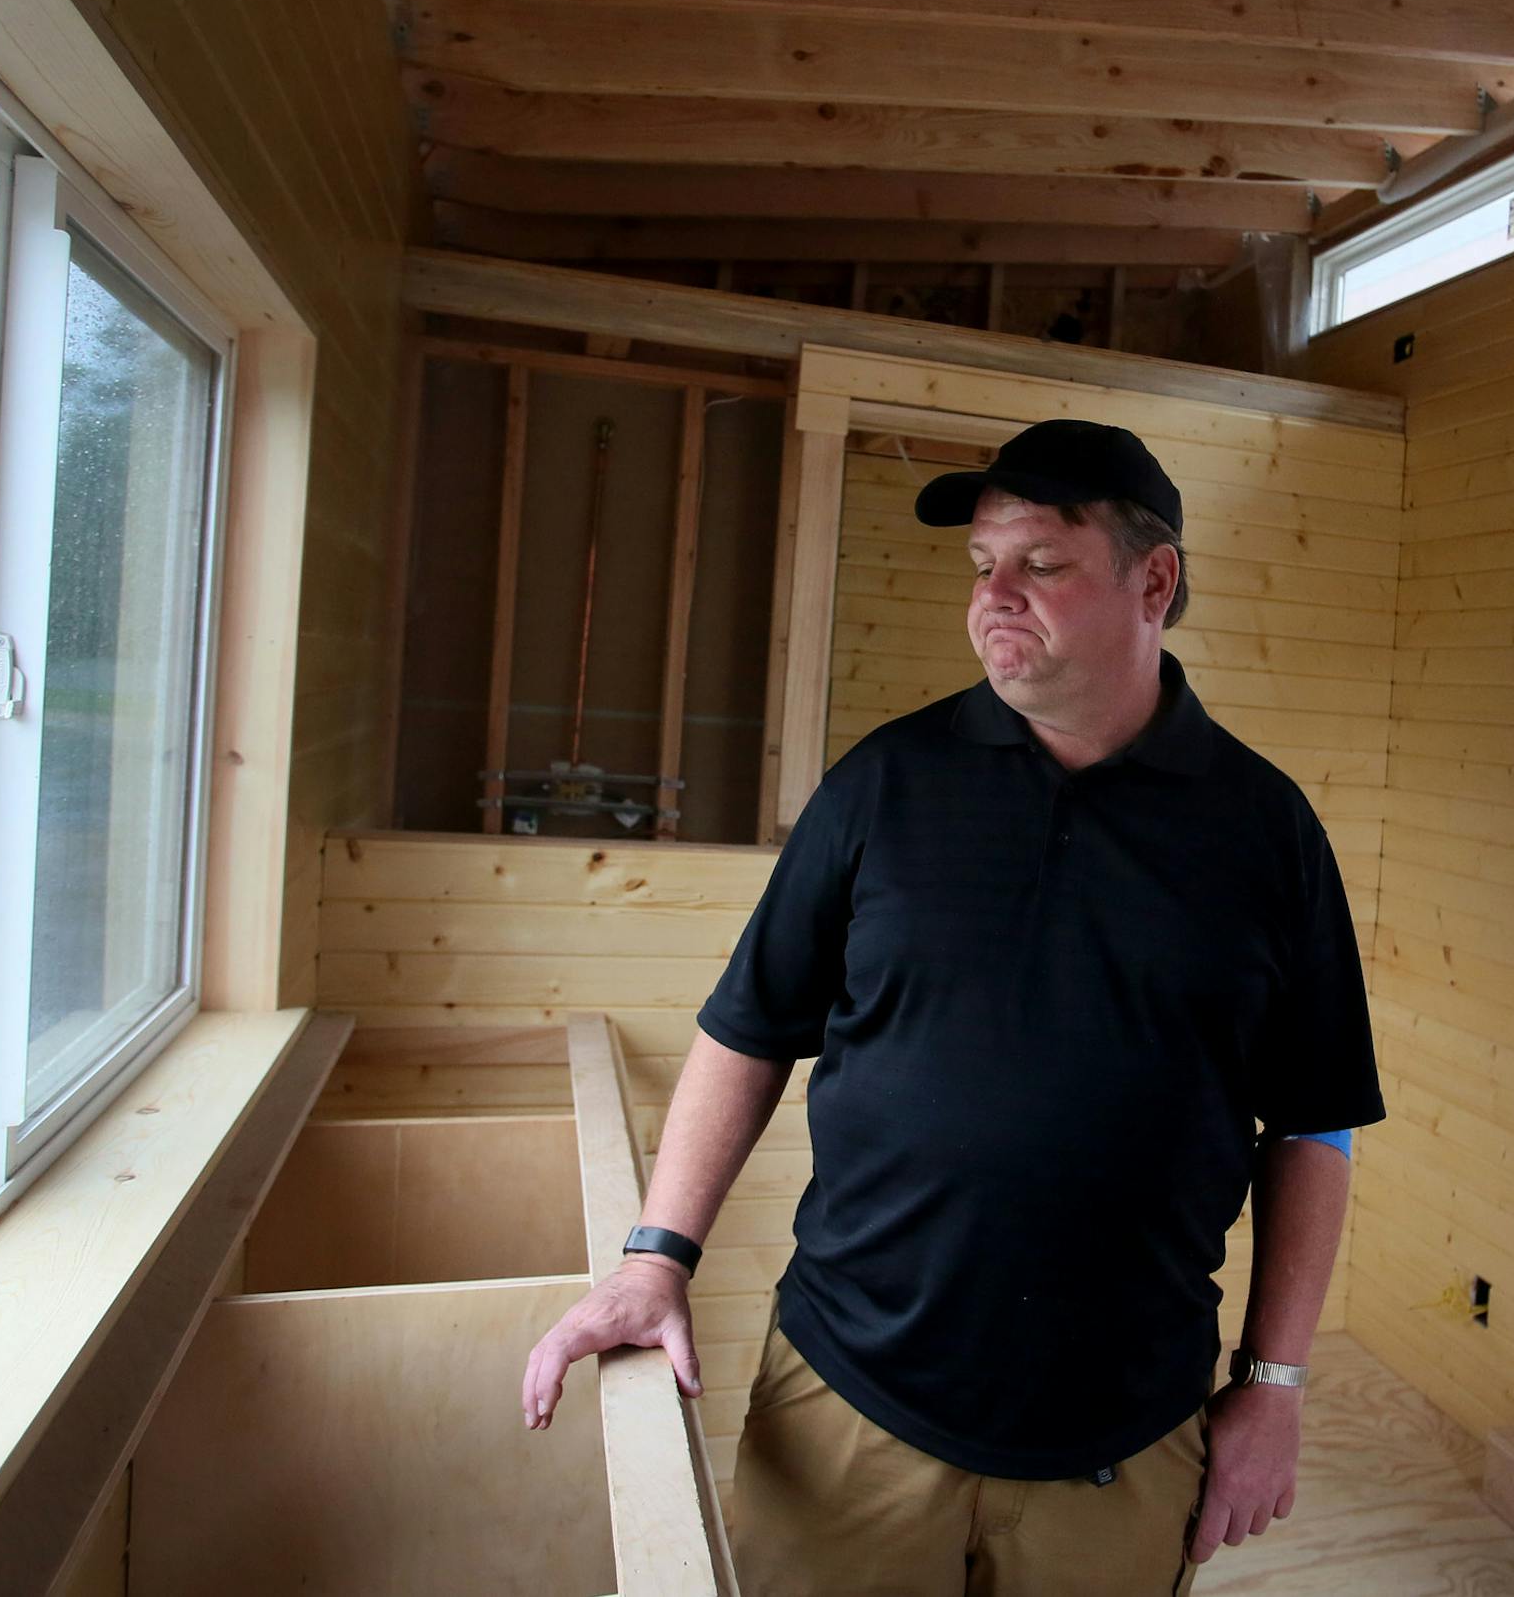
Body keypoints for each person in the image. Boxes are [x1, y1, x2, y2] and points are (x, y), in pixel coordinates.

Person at [521, 418, 1386, 1595]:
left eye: (1040, 562)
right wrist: (655, 1255)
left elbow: (1314, 1120)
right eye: (982, 565)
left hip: (1128, 1434)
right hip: (852, 1403)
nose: (993, 596)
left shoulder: (1267, 832)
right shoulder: (884, 784)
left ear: (1155, 581)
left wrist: (1273, 1385)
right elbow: (747, 1027)